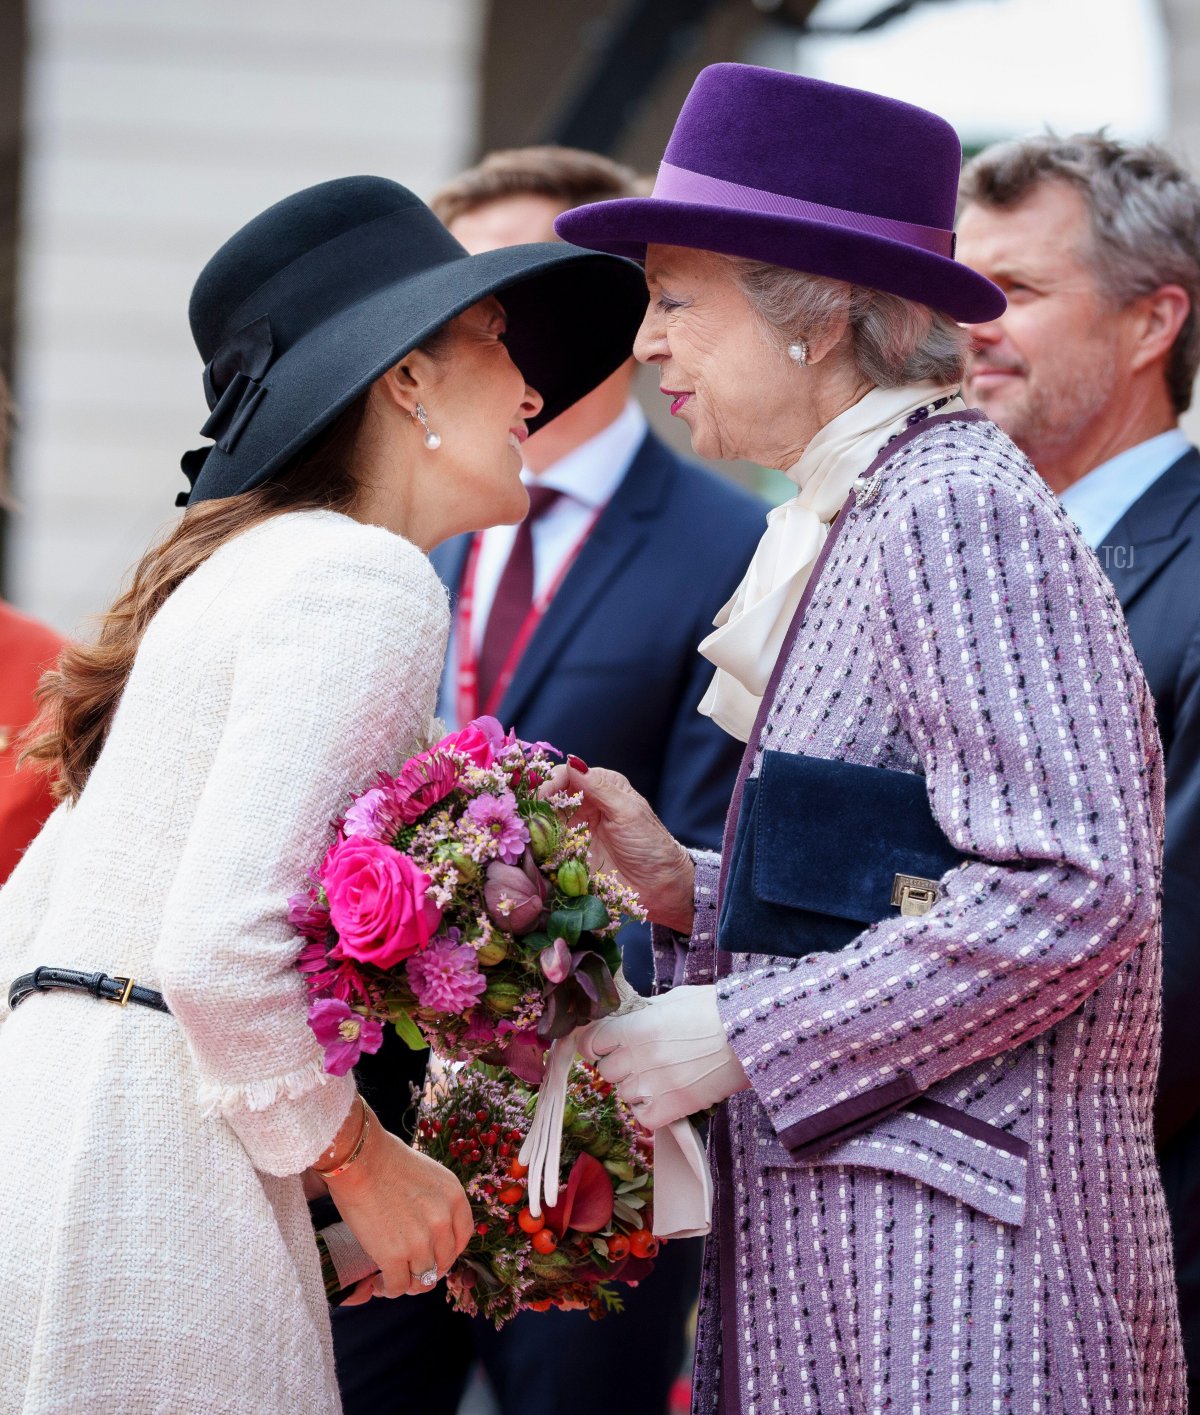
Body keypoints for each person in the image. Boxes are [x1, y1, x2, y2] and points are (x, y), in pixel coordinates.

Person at [546, 63, 1186, 1413]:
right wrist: (689, 883)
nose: (646, 343)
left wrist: (738, 1026)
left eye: (673, 300)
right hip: (878, 1270)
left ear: (817, 311)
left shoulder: (949, 506)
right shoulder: (876, 502)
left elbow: (1075, 884)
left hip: (963, 1300)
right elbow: (903, 881)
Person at [0, 175, 647, 1415]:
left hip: (69, 1140)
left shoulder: (244, 570)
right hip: (160, 1167)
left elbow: (30, 923)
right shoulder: (363, 578)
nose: (530, 395)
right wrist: (358, 1162)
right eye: (501, 347)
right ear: (407, 380)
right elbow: (223, 945)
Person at [330, 146, 766, 1415]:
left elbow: (701, 844)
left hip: (590, 1130)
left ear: (622, 311)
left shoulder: (732, 543)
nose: (496, 334)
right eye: (467, 304)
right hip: (378, 1120)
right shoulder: (377, 532)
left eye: (522, 300)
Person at [955, 132, 1200, 1406]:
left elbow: (1171, 962)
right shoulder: (969, 556)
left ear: (1157, 318)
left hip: (1127, 1257)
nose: (970, 326)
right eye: (959, 286)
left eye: (1018, 292)